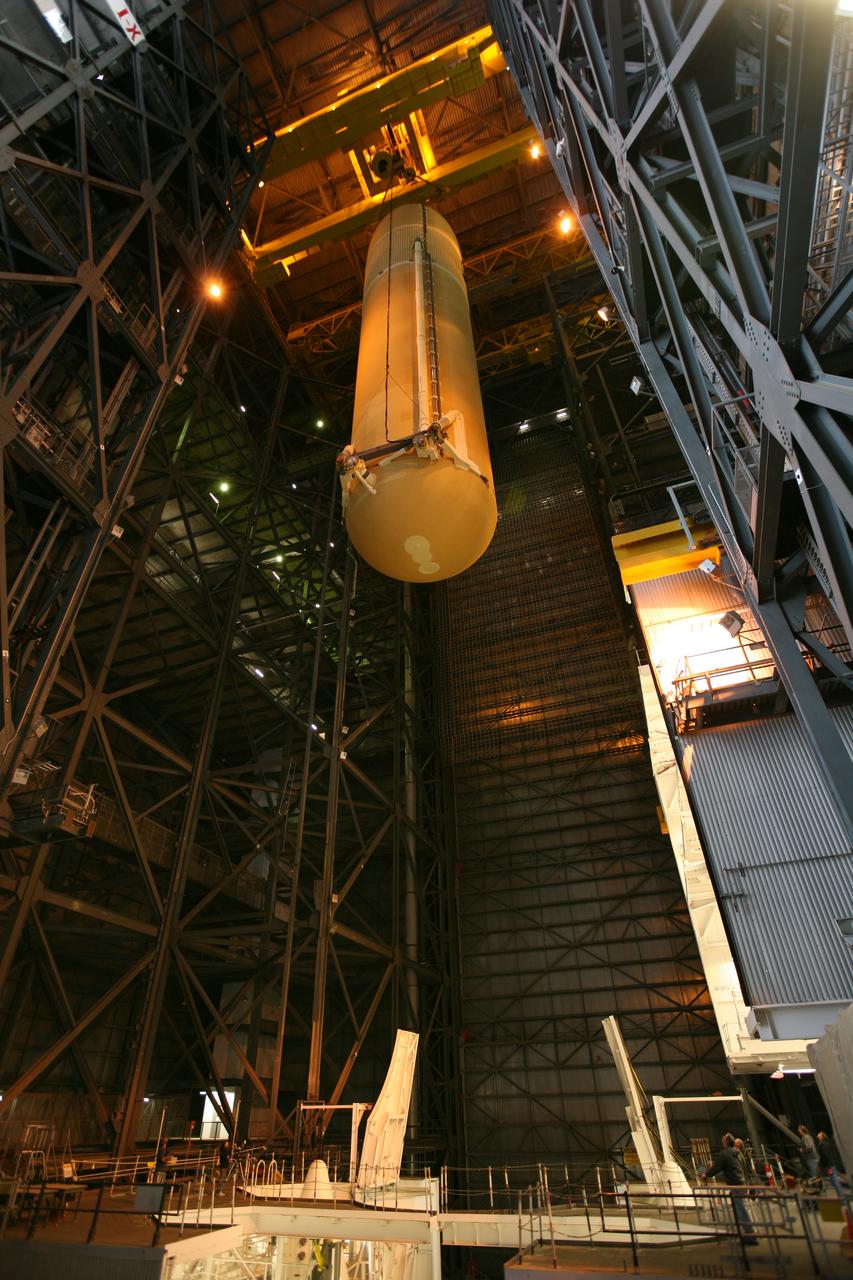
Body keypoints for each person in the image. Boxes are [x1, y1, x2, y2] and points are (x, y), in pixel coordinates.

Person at [703, 1133, 758, 1244]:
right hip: (741, 1183)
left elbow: (717, 1167)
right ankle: (749, 1233)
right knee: (742, 1209)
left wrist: (706, 1175)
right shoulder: (736, 1153)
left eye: (723, 1139)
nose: (722, 1141)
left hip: (736, 1184)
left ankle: (751, 1235)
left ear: (726, 1142)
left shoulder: (726, 1153)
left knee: (741, 1210)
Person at [817, 1131, 847, 1201]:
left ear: (822, 1136)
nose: (818, 1135)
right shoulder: (824, 1144)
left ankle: (842, 1199)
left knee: (835, 1182)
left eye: (819, 1134)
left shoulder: (823, 1144)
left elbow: (826, 1156)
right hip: (829, 1166)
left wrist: (828, 1167)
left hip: (829, 1166)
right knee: (834, 1181)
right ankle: (842, 1197)